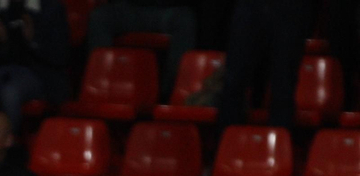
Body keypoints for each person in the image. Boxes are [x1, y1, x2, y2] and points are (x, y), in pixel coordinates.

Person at [0, 0, 71, 131]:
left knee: (11, 93)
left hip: (39, 73)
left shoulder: (51, 8)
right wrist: (1, 42)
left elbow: (60, 56)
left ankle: (9, 143)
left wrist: (33, 40)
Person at [217, 0, 314, 130]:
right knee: (233, 83)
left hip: (290, 8)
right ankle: (228, 146)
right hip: (251, 5)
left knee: (283, 88)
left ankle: (279, 147)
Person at [87, 0, 197, 96]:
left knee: (185, 20)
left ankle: (172, 91)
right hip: (131, 7)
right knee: (100, 17)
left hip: (168, 9)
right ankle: (100, 86)